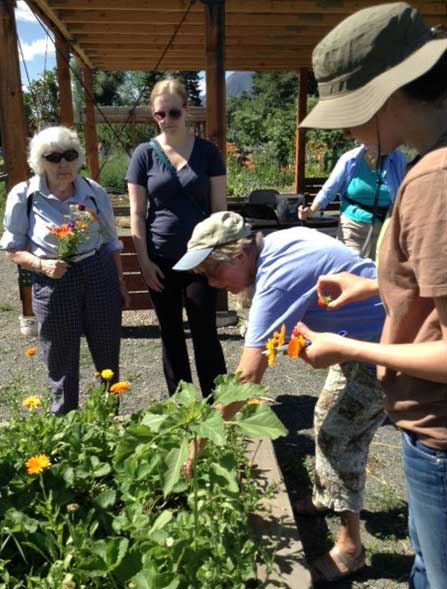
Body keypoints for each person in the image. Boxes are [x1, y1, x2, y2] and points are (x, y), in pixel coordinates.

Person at [296, 3, 447, 588]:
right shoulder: (428, 160)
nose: (346, 131)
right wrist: (376, 284)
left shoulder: (433, 181)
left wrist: (352, 351)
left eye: (347, 114)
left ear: (385, 99)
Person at [173, 210, 386, 582]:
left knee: (339, 434)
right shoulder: (279, 243)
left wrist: (200, 441)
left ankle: (351, 549)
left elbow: (248, 377)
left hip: (382, 345)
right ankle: (326, 495)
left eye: (213, 272)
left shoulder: (276, 278)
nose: (211, 282)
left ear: (238, 255)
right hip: (353, 340)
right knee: (325, 416)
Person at [0, 126, 129, 415]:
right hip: (53, 281)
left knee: (108, 353)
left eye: (69, 155)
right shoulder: (24, 196)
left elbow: (110, 241)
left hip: (97, 273)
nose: (62, 164)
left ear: (79, 158)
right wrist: (42, 265)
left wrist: (120, 282)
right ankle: (65, 426)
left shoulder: (93, 191)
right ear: (39, 161)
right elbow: (12, 249)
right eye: (53, 157)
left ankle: (109, 422)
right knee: (60, 359)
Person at [126, 78, 226, 400]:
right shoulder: (144, 155)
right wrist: (143, 262)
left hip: (201, 259)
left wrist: (214, 257)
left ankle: (218, 406)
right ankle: (181, 407)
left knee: (205, 333)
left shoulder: (208, 153)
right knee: (171, 336)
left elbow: (219, 211)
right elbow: (137, 215)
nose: (166, 120)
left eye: (173, 112)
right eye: (159, 114)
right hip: (160, 259)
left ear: (186, 110)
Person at [298, 144, 406, 258]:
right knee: (354, 269)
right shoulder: (350, 159)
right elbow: (328, 191)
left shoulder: (398, 160)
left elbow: (405, 193)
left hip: (385, 230)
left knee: (378, 273)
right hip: (353, 227)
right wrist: (310, 211)